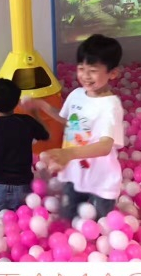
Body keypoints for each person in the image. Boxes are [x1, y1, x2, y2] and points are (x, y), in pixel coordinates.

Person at [26, 34, 124, 220]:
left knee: (99, 225)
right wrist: (42, 105)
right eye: (81, 68)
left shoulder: (110, 106)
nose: (85, 76)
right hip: (73, 174)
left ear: (112, 73)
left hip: (100, 182)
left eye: (93, 70)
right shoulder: (77, 95)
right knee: (68, 217)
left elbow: (105, 146)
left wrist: (69, 153)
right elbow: (68, 120)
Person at [0, 79, 50, 211]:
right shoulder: (27, 122)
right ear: (17, 102)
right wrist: (35, 113)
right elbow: (45, 134)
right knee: (25, 209)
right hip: (22, 185)